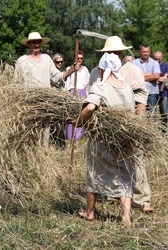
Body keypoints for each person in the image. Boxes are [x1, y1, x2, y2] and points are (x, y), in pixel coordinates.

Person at [89, 36, 153, 213]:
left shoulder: (131, 70)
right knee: (104, 160)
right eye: (111, 52)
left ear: (122, 53)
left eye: (118, 52)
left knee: (134, 159)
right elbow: (91, 97)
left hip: (128, 124)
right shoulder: (97, 71)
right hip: (103, 126)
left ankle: (142, 200)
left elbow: (141, 96)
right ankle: (111, 194)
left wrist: (138, 122)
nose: (115, 55)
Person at [72, 53, 136, 226]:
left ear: (102, 69)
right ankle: (125, 217)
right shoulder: (127, 87)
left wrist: (78, 122)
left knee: (94, 174)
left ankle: (90, 212)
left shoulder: (101, 85)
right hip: (125, 140)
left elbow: (91, 106)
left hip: (103, 139)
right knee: (124, 174)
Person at [13, 32, 77, 148]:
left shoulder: (47, 59)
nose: (36, 45)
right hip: (28, 102)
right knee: (30, 131)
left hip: (45, 101)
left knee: (45, 130)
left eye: (38, 42)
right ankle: (31, 155)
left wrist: (71, 70)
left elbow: (57, 77)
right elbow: (16, 83)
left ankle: (44, 153)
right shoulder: (21, 61)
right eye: (34, 42)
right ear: (28, 45)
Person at [132, 44, 161, 116]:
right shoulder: (134, 63)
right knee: (139, 114)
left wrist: (141, 76)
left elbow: (157, 76)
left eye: (147, 51)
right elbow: (133, 76)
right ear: (139, 52)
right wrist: (149, 75)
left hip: (152, 92)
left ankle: (152, 127)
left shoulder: (154, 63)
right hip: (139, 92)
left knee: (152, 114)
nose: (146, 53)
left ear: (150, 52)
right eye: (144, 51)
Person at [153, 50, 168, 131]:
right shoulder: (151, 65)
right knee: (153, 113)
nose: (157, 61)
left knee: (164, 114)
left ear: (162, 57)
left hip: (164, 94)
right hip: (153, 93)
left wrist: (156, 78)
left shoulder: (166, 66)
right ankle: (153, 132)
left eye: (158, 59)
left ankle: (163, 131)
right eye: (155, 59)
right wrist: (162, 78)